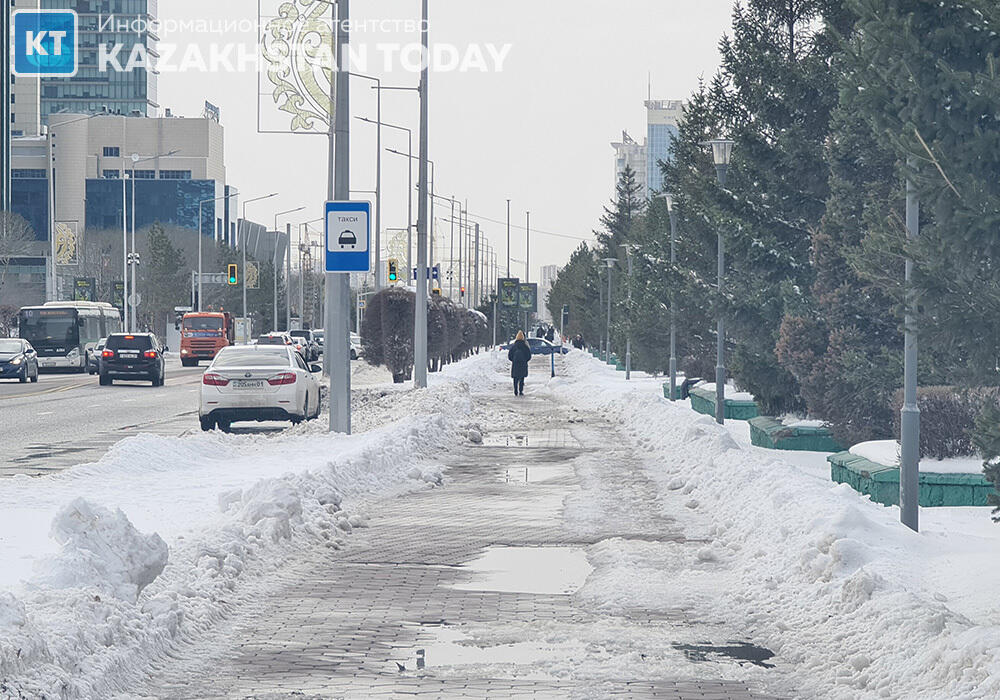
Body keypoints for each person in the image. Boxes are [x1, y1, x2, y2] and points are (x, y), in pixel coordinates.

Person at [507, 330, 532, 396]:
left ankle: (515, 390)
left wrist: (514, 360)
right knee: (522, 378)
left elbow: (509, 356)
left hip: (515, 365)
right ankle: (521, 391)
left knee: (515, 378)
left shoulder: (514, 346)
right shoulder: (525, 346)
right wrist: (525, 360)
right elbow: (529, 356)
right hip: (523, 365)